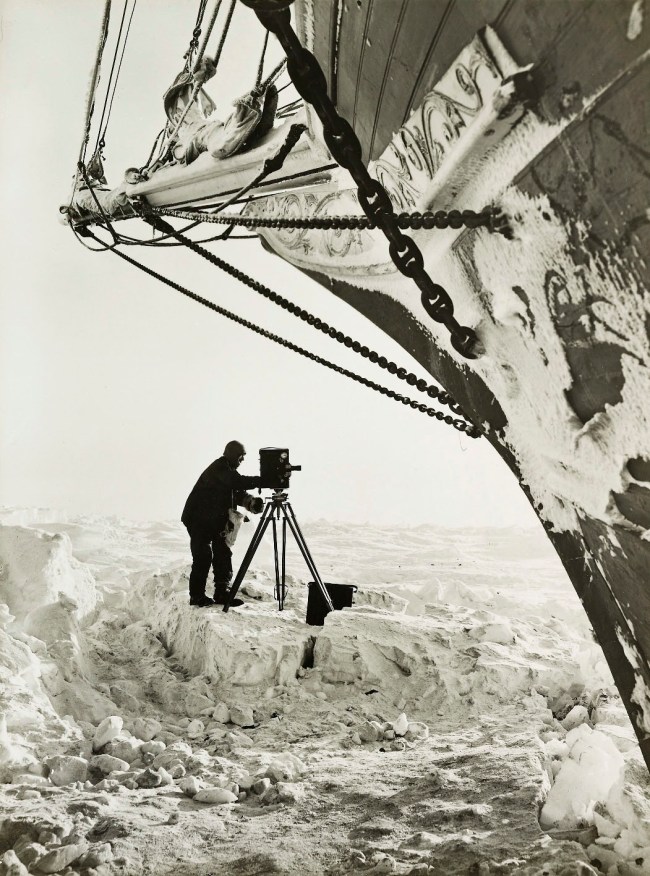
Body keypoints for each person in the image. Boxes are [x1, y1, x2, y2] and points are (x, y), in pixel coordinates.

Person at [182, 441, 263, 607]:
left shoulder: (228, 473)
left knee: (223, 553)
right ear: (232, 455)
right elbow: (236, 482)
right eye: (241, 456)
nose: (242, 460)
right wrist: (262, 480)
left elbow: (237, 492)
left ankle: (222, 593)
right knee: (203, 556)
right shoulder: (219, 468)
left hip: (215, 520)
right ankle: (196, 596)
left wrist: (251, 502)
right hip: (198, 519)